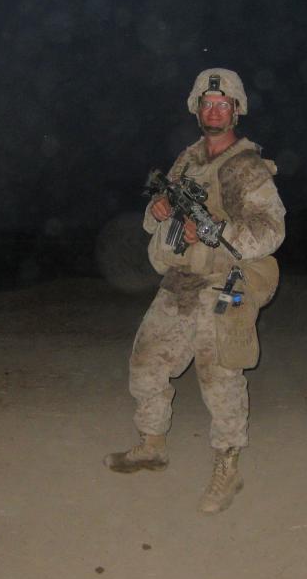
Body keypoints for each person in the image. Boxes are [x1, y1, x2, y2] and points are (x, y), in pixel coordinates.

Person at [104, 68, 286, 514]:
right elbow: (154, 220)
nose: (214, 110)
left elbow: (271, 229)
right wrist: (160, 209)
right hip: (181, 280)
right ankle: (151, 444)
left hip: (224, 281)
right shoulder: (187, 161)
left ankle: (227, 466)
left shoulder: (248, 167)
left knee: (219, 376)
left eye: (223, 104)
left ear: (236, 110)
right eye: (207, 104)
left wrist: (216, 232)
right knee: (146, 362)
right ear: (197, 110)